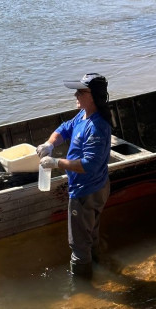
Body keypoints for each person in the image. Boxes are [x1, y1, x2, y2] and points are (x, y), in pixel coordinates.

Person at [37, 73, 112, 279]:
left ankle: (82, 291)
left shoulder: (97, 127)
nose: (76, 95)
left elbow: (89, 164)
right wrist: (50, 144)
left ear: (94, 95)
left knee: (78, 245)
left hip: (87, 192)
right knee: (90, 236)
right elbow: (64, 129)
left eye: (80, 91)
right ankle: (99, 266)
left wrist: (56, 163)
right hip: (93, 188)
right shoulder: (83, 115)